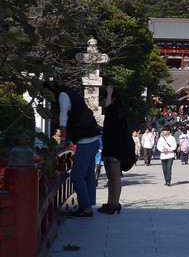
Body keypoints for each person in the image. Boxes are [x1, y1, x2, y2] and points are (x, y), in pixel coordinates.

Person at [57, 81, 101, 218]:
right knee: (88, 173)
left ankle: (86, 208)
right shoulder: (73, 94)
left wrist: (62, 141)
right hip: (94, 138)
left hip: (85, 141)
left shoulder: (63, 95)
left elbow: (63, 119)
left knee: (77, 175)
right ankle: (88, 203)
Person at [97, 84, 133, 214]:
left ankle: (115, 203)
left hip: (115, 147)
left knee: (115, 177)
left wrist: (109, 93)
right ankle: (110, 203)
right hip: (110, 146)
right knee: (111, 178)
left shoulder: (117, 110)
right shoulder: (117, 112)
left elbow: (109, 109)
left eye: (108, 98)